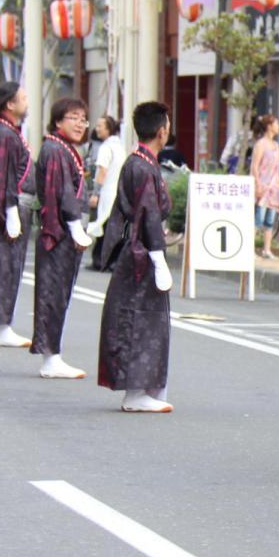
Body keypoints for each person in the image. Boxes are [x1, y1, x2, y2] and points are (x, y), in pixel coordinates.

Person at [97, 101, 176, 413]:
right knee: (140, 319)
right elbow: (149, 214)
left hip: (140, 249)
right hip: (142, 252)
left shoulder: (140, 162)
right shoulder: (142, 166)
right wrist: (157, 257)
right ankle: (136, 391)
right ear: (162, 131)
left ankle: (144, 388)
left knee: (145, 318)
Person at [32, 98, 93, 379]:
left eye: (83, 119)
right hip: (58, 233)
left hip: (63, 232)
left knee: (59, 293)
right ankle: (50, 357)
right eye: (73, 118)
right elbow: (62, 192)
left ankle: (53, 354)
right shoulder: (55, 149)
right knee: (53, 294)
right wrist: (74, 225)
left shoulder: (64, 149)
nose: (80, 124)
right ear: (58, 121)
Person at [0, 82, 34, 347]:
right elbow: (3, 175)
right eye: (22, 98)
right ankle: (1, 327)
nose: (26, 102)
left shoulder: (7, 131)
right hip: (8, 203)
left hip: (9, 201)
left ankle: (2, 324)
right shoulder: (3, 133)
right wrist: (11, 211)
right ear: (10, 104)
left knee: (9, 265)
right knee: (5, 265)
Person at [86, 116, 125, 271]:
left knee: (103, 226)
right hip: (117, 192)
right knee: (111, 227)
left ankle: (101, 260)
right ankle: (109, 260)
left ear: (109, 128)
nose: (97, 129)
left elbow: (102, 171)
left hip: (107, 192)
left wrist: (95, 193)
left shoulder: (106, 148)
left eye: (100, 126)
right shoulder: (120, 146)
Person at [250, 114, 279, 259]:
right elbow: (255, 166)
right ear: (269, 126)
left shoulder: (276, 145)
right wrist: (257, 184)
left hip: (273, 188)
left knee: (270, 221)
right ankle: (250, 250)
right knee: (258, 219)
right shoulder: (260, 144)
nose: (278, 127)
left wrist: (278, 185)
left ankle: (267, 249)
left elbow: (278, 168)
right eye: (276, 123)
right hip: (262, 187)